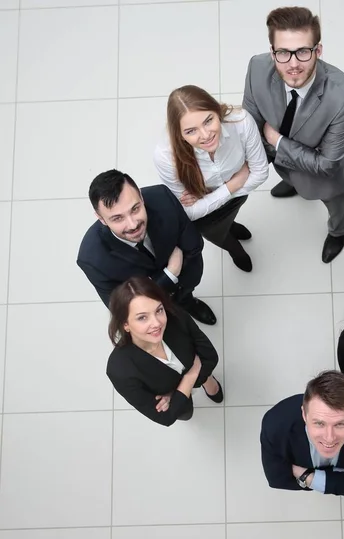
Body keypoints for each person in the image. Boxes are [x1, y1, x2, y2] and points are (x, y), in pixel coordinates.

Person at [243, 6, 344, 264]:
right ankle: (294, 183)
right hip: (285, 161)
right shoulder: (257, 67)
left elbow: (327, 165)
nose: (293, 64)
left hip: (326, 177)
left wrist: (277, 141)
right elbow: (249, 125)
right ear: (272, 51)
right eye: (283, 52)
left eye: (303, 52)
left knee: (338, 204)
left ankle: (339, 231)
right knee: (292, 176)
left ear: (318, 50)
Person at [77, 169, 216, 325]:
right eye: (117, 218)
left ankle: (188, 302)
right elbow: (122, 307)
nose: (133, 224)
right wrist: (169, 274)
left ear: (141, 197)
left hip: (187, 278)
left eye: (135, 209)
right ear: (101, 219)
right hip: (151, 309)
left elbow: (194, 245)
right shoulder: (92, 259)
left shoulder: (162, 197)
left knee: (185, 297)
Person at [154, 85, 269, 272]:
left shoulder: (241, 122)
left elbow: (261, 173)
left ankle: (230, 225)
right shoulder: (166, 156)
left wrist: (209, 197)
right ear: (179, 134)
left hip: (233, 196)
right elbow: (189, 213)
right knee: (218, 235)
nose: (206, 135)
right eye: (191, 131)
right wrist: (233, 184)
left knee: (230, 219)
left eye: (209, 120)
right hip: (210, 214)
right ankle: (235, 250)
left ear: (217, 111)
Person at [106, 276, 222, 427]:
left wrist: (177, 394)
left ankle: (208, 382)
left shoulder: (175, 316)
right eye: (142, 318)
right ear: (126, 324)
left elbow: (211, 357)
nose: (157, 323)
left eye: (158, 310)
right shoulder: (119, 370)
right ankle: (206, 380)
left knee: (206, 376)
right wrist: (191, 375)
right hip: (185, 391)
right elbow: (166, 417)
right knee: (186, 413)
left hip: (189, 385)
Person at [260, 370, 344, 496]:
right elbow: (277, 480)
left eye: (339, 424)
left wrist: (302, 473)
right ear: (304, 415)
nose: (329, 438)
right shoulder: (275, 425)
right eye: (319, 423)